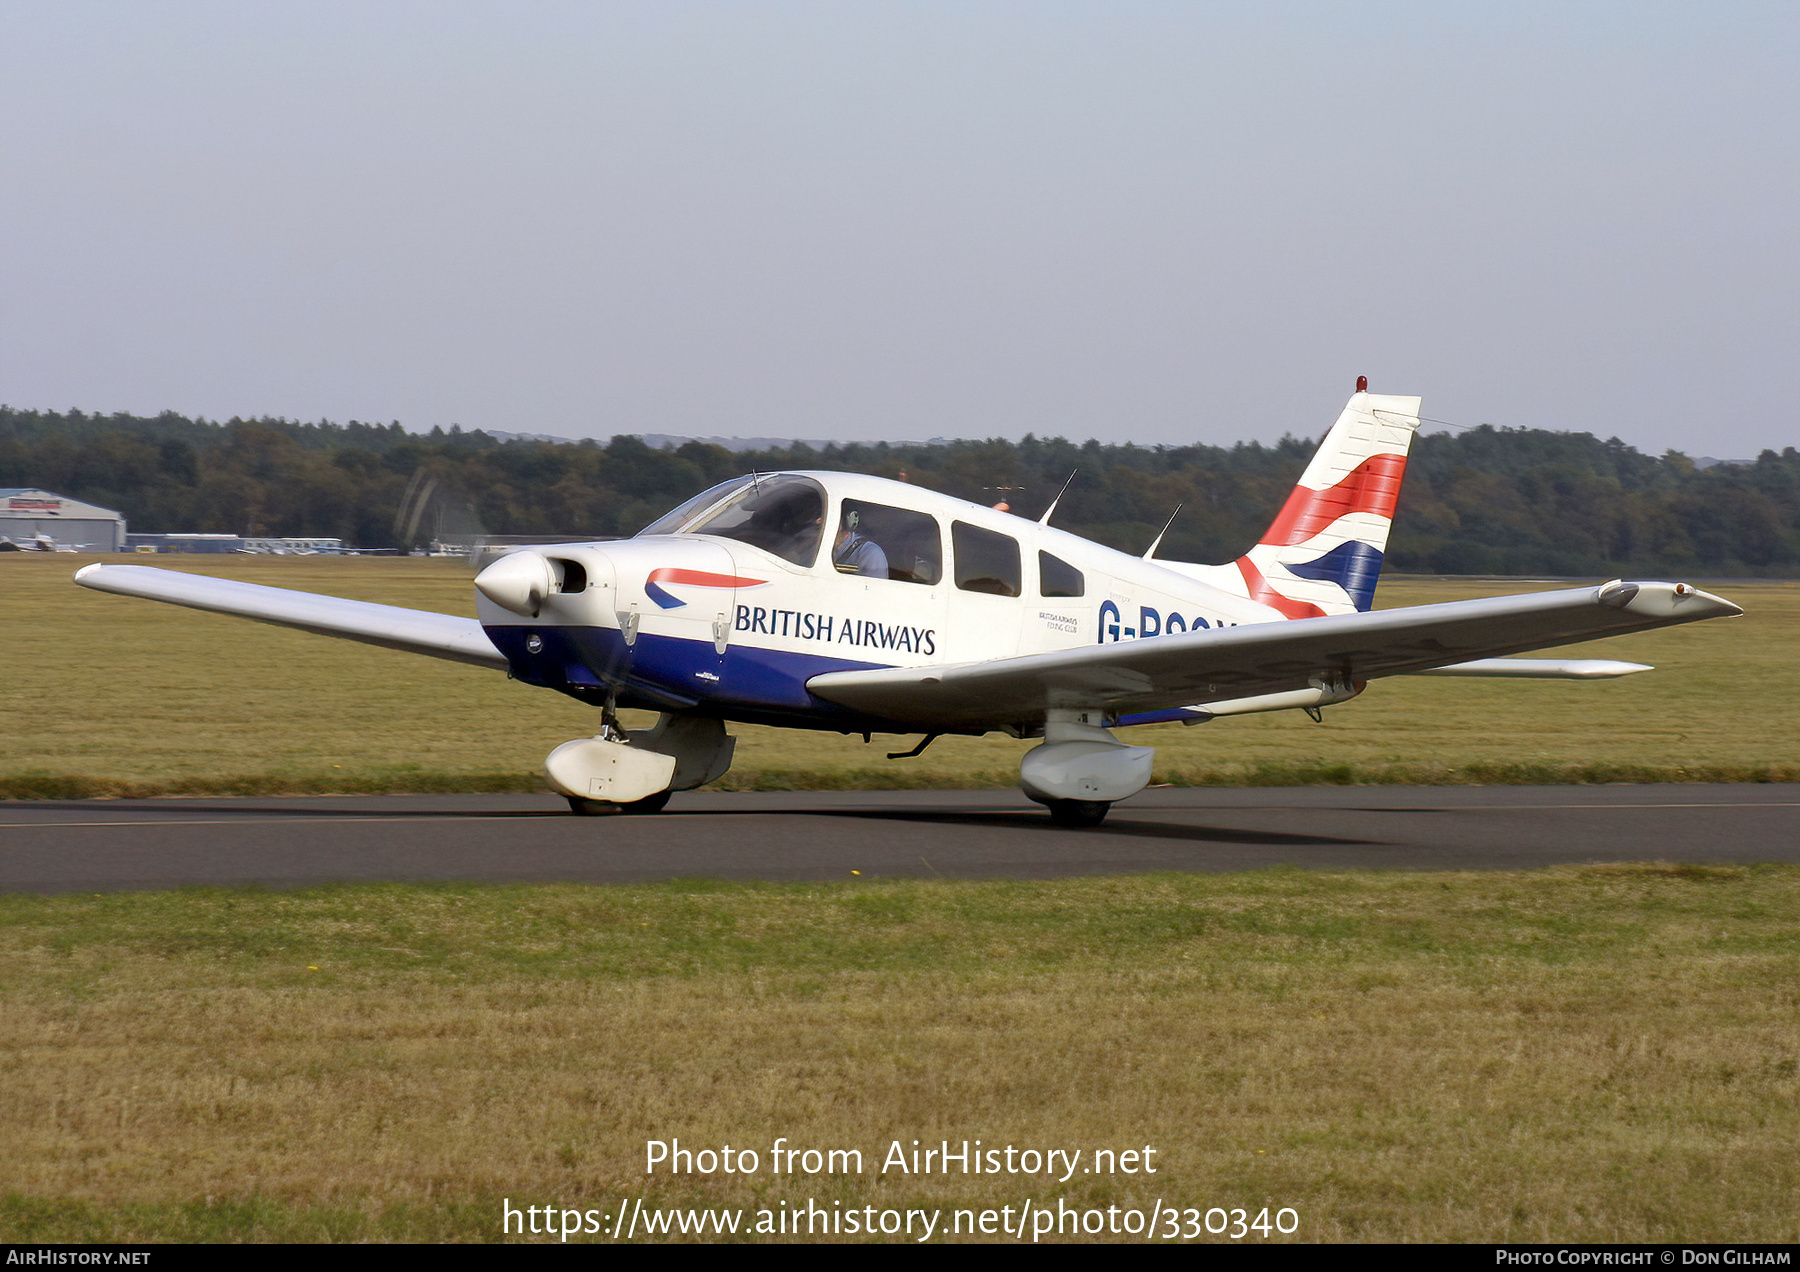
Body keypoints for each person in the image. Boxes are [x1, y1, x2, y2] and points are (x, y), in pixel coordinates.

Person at [832, 508, 888, 577]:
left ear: (846, 523)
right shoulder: (818, 548)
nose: (818, 521)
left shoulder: (871, 553)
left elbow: (875, 587)